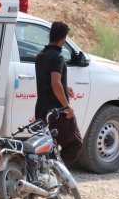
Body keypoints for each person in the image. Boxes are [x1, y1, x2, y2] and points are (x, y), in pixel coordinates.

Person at [34, 21, 84, 168]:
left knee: (48, 145)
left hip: (41, 110)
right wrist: (67, 107)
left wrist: (64, 86)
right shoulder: (58, 57)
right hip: (57, 111)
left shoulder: (40, 55)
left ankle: (45, 176)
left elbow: (49, 80)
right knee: (75, 144)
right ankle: (56, 172)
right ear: (63, 39)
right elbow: (55, 84)